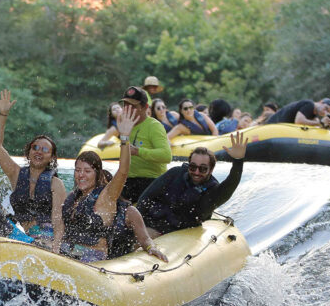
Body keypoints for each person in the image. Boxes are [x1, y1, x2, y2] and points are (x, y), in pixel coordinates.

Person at [63, 106, 167, 263]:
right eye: (77, 170)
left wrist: (124, 136)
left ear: (97, 174)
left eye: (87, 171)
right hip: (68, 253)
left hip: (93, 258)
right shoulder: (73, 197)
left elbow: (123, 171)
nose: (81, 175)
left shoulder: (107, 197)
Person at [0, 89, 67, 251]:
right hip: (23, 237)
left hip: (46, 237)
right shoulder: (16, 174)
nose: (39, 152)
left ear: (52, 158)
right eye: (35, 148)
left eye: (45, 150)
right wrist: (3, 114)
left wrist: (56, 247)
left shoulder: (56, 184)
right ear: (29, 152)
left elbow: (58, 221)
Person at [136, 131, 249, 237]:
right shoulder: (175, 173)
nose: (196, 172)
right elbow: (146, 198)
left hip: (176, 233)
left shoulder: (212, 192)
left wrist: (238, 161)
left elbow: (230, 184)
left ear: (211, 169)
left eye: (203, 169)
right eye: (193, 167)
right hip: (150, 222)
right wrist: (139, 226)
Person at [118, 85, 172, 203]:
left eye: (133, 106)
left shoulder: (154, 126)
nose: (128, 109)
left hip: (151, 181)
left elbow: (167, 156)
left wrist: (138, 151)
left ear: (145, 107)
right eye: (125, 105)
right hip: (128, 180)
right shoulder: (124, 124)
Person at [266, 98, 330, 127]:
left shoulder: (314, 115)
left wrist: (326, 125)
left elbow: (316, 124)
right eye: (326, 108)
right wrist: (320, 123)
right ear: (320, 102)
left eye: (327, 112)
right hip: (273, 125)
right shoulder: (310, 105)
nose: (324, 112)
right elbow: (299, 121)